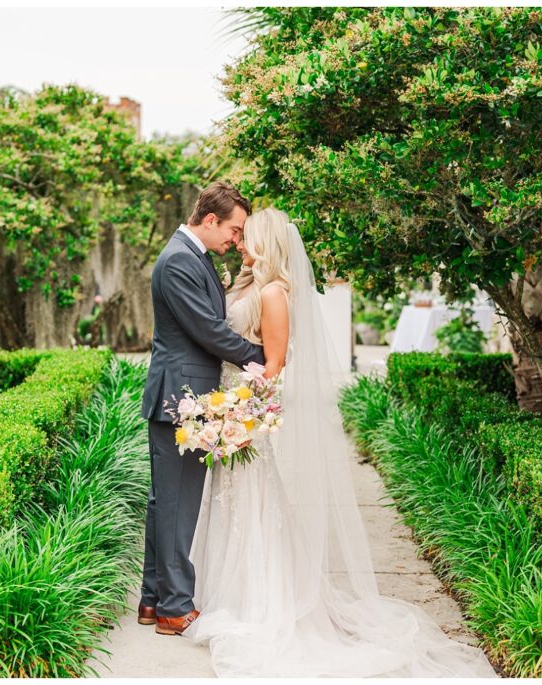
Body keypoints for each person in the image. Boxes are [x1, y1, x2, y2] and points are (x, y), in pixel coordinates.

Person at [181, 207, 498, 677]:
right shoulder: (247, 282)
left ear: (266, 242)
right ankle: (222, 591)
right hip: (225, 404)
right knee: (230, 506)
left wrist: (238, 413)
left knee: (251, 506)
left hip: (239, 412)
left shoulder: (273, 292)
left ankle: (257, 600)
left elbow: (274, 364)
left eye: (248, 237)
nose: (241, 242)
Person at [139, 182, 265, 636]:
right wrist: (263, 359)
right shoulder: (178, 261)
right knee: (177, 505)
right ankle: (175, 608)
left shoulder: (194, 257)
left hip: (186, 393)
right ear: (210, 220)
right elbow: (209, 331)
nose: (236, 240)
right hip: (181, 397)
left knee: (166, 503)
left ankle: (154, 599)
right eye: (233, 230)